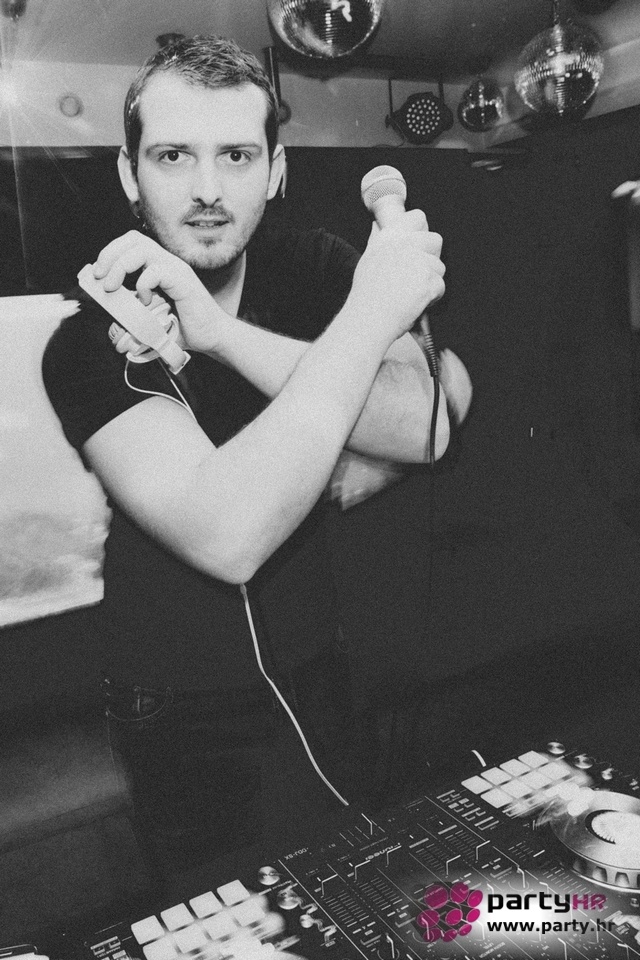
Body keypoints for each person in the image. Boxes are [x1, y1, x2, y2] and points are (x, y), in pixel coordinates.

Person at [42, 35, 471, 875]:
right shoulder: (89, 340)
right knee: (226, 911)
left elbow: (425, 421)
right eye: (173, 156)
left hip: (319, 654)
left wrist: (224, 338)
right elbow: (230, 533)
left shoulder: (313, 264)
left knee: (350, 879)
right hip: (174, 696)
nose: (207, 189)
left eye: (236, 155)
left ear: (274, 170)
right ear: (130, 174)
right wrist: (365, 319)